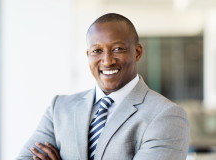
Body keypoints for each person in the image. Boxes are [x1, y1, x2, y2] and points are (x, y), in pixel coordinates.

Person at [17, 13, 190, 160]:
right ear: (88, 55)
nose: (107, 61)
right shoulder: (59, 108)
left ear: (137, 52)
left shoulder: (166, 116)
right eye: (97, 51)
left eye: (117, 49)